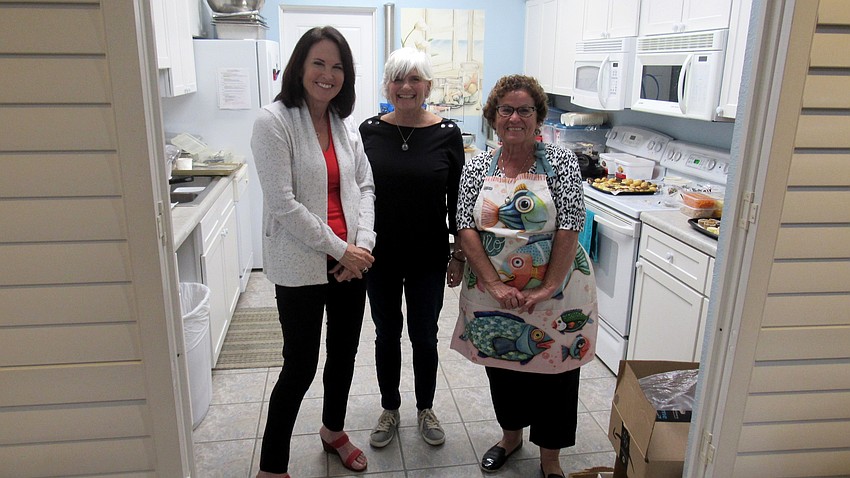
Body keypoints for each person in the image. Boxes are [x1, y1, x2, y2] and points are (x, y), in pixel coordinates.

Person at [450, 75, 598, 478]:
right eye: (506, 109)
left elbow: (570, 222)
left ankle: (550, 460)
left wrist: (549, 284)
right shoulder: (479, 164)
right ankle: (510, 437)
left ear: (537, 118)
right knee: (504, 364)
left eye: (525, 110)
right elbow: (465, 225)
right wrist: (495, 284)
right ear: (494, 117)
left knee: (557, 372)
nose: (515, 117)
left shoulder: (561, 162)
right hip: (492, 290)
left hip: (558, 288)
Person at [250, 26, 376, 478]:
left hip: (349, 264)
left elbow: (365, 186)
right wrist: (342, 248)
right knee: (299, 366)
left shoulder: (344, 127)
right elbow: (283, 204)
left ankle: (333, 432)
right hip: (302, 264)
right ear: (300, 67)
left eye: (338, 66)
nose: (328, 74)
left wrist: (362, 246)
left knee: (342, 356)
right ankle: (272, 467)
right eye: (319, 63)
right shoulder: (273, 122)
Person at [358, 47, 465, 448]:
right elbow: (357, 194)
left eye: (414, 78)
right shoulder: (368, 132)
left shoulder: (447, 134)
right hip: (378, 256)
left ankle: (425, 408)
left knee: (424, 334)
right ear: (387, 85)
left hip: (428, 257)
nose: (406, 86)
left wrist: (457, 254)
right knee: (386, 333)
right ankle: (390, 408)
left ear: (428, 86)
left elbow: (458, 200)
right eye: (398, 79)